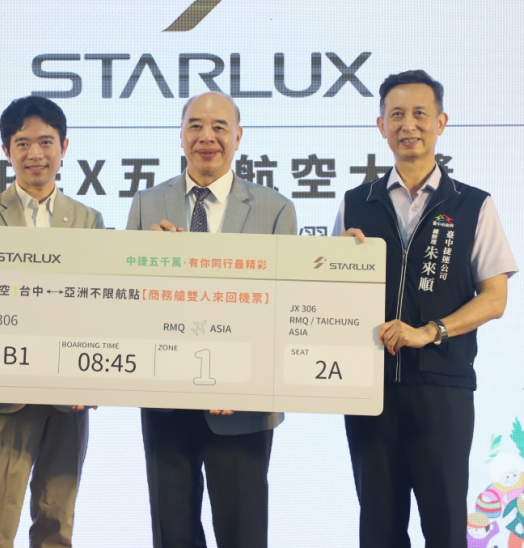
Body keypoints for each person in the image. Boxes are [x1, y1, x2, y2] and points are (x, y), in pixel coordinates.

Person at [336, 70, 517, 548]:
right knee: (378, 527)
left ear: (441, 122)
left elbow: (495, 298)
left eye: (420, 113)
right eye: (396, 115)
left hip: (443, 390)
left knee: (444, 526)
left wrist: (430, 330)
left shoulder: (473, 204)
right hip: (369, 391)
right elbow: (329, 294)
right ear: (381, 126)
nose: (408, 125)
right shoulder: (356, 203)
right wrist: (337, 260)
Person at [126, 91, 296, 548]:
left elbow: (284, 309)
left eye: (219, 127)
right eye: (195, 126)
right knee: (172, 533)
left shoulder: (275, 209)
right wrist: (149, 263)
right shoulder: (146, 204)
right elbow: (128, 301)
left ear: (238, 137)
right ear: (180, 135)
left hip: (243, 405)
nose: (207, 137)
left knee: (242, 533)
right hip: (165, 397)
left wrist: (243, 381)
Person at [0, 96, 103, 548]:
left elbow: (100, 308)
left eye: (46, 142)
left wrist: (95, 377)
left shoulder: (87, 220)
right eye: (22, 143)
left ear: (64, 147)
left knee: (57, 521)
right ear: (6, 151)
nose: (35, 154)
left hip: (68, 395)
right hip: (4, 393)